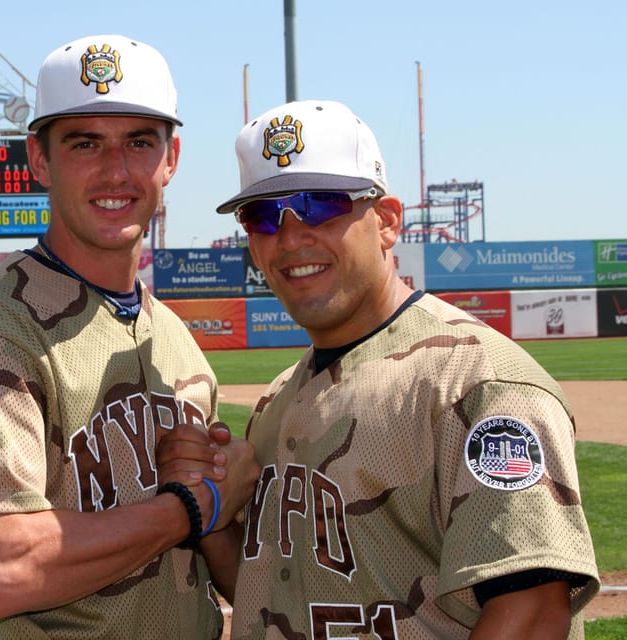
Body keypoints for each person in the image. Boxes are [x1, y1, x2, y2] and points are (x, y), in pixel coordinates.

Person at [161, 99, 599, 639]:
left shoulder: (478, 383)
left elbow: (532, 616)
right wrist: (211, 515)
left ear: (387, 221)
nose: (292, 237)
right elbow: (272, 597)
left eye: (321, 204)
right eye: (264, 215)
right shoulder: (276, 405)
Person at [0, 34, 257, 639]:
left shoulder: (173, 340)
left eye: (139, 142)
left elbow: (229, 575)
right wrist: (192, 509)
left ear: (171, 159)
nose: (115, 170)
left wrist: (222, 506)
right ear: (39, 159)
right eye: (85, 143)